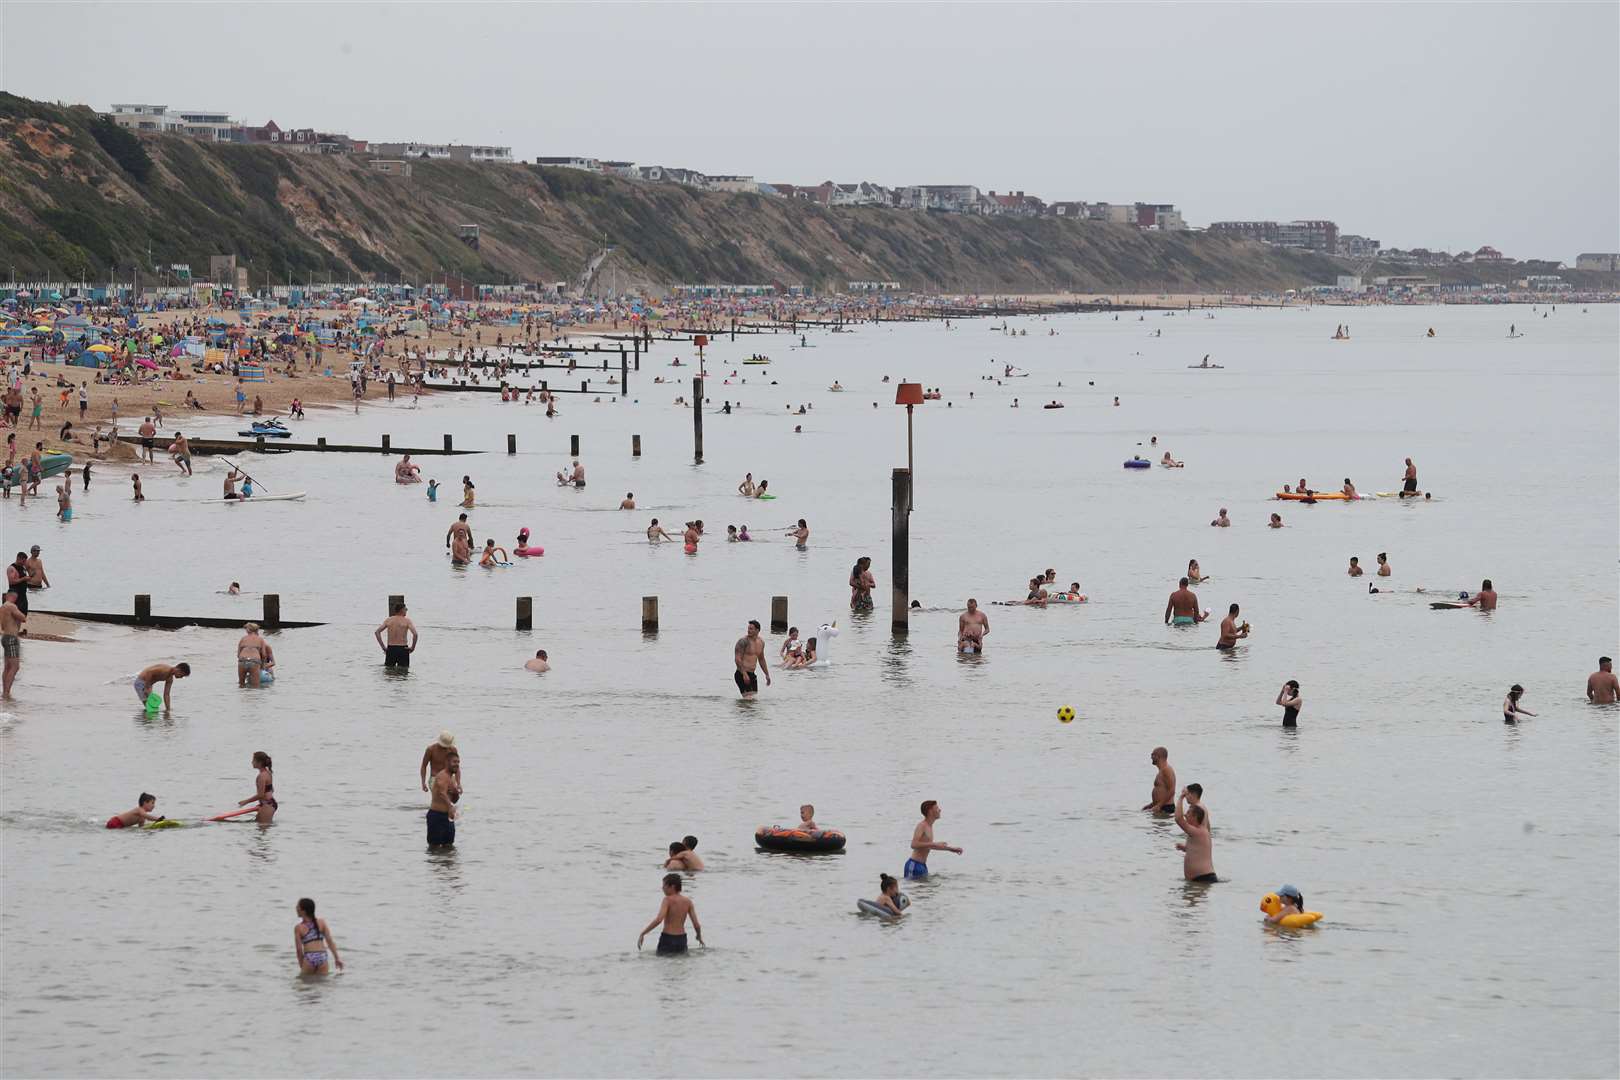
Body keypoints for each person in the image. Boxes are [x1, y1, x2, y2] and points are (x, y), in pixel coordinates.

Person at [637, 873, 703, 955]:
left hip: (668, 938)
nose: (662, 888)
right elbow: (696, 924)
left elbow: (659, 919)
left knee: (663, 964)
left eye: (664, 885)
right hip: (681, 939)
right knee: (680, 964)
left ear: (672, 886)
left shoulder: (667, 900)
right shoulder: (688, 901)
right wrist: (699, 937)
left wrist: (643, 933)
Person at [906, 800, 962, 878]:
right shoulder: (922, 825)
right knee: (913, 889)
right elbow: (914, 844)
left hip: (922, 866)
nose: (940, 810)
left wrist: (951, 849)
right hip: (914, 865)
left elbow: (928, 846)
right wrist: (934, 843)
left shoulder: (929, 826)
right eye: (937, 808)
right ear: (930, 811)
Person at [1174, 787, 1217, 882]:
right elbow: (1199, 850)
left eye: (1188, 813)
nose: (1185, 815)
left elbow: (1178, 819)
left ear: (1195, 817)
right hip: (1202, 878)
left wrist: (1181, 797)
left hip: (1203, 878)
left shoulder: (1197, 832)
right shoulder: (1201, 831)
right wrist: (1186, 848)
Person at [293, 898, 344, 974]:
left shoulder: (298, 928)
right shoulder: (321, 922)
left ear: (303, 910)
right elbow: (330, 942)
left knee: (305, 984)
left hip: (309, 957)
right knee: (322, 984)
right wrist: (337, 958)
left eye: (297, 906)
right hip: (322, 956)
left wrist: (302, 964)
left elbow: (299, 950)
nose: (296, 908)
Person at [733, 619, 771, 696]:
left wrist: (767, 674)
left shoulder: (761, 642)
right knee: (748, 699)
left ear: (757, 630)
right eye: (748, 628)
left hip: (752, 674)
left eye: (751, 629)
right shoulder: (743, 641)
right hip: (741, 673)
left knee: (753, 701)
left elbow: (761, 659)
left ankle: (740, 708)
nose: (748, 630)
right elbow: (737, 659)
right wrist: (744, 674)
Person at [237, 751, 277, 824]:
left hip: (267, 805)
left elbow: (260, 795)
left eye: (253, 760)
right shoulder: (268, 773)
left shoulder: (261, 776)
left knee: (262, 829)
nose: (252, 762)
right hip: (268, 804)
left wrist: (245, 801)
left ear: (259, 762)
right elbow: (271, 790)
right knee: (259, 829)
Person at [375, 602, 417, 668]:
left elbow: (377, 632)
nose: (406, 610)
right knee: (403, 673)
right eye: (405, 609)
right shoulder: (407, 621)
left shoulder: (389, 620)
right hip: (403, 649)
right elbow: (415, 634)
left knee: (389, 672)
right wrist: (412, 648)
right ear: (402, 610)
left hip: (391, 648)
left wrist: (383, 647)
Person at [427, 764, 460, 847]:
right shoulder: (442, 776)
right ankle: (434, 860)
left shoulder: (451, 779)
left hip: (448, 817)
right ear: (448, 762)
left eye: (458, 762)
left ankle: (446, 860)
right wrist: (450, 808)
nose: (457, 764)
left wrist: (456, 792)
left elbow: (454, 800)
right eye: (454, 761)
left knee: (449, 846)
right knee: (434, 847)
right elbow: (442, 793)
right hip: (436, 815)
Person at [0, 589, 25, 699]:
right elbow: (23, 618)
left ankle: (5, 691)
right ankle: (6, 692)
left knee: (7, 666)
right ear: (14, 597)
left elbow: (7, 623)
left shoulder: (2, 607)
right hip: (11, 638)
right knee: (15, 666)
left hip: (5, 636)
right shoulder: (11, 606)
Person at [236, 622, 273, 688]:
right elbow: (264, 655)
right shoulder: (260, 639)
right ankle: (254, 697)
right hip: (254, 661)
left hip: (242, 661)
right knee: (255, 686)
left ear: (248, 630)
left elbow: (238, 654)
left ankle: (242, 697)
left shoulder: (243, 638)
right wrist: (262, 666)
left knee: (241, 684)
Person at [1143, 747, 1176, 812]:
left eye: (1153, 755)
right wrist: (1151, 805)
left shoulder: (1166, 770)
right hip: (1161, 806)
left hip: (1166, 808)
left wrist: (1159, 805)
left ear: (1159, 756)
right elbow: (1163, 790)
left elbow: (1172, 790)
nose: (1151, 757)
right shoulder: (1162, 770)